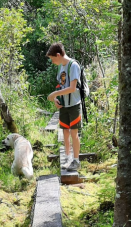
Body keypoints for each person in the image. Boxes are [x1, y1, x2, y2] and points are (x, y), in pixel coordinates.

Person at [46, 43, 82, 171]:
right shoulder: (60, 67)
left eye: (52, 58)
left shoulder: (73, 66)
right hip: (64, 106)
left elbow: (72, 88)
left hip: (74, 105)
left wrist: (55, 94)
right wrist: (56, 98)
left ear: (58, 55)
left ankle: (76, 160)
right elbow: (60, 86)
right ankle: (68, 158)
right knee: (65, 132)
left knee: (74, 133)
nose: (52, 61)